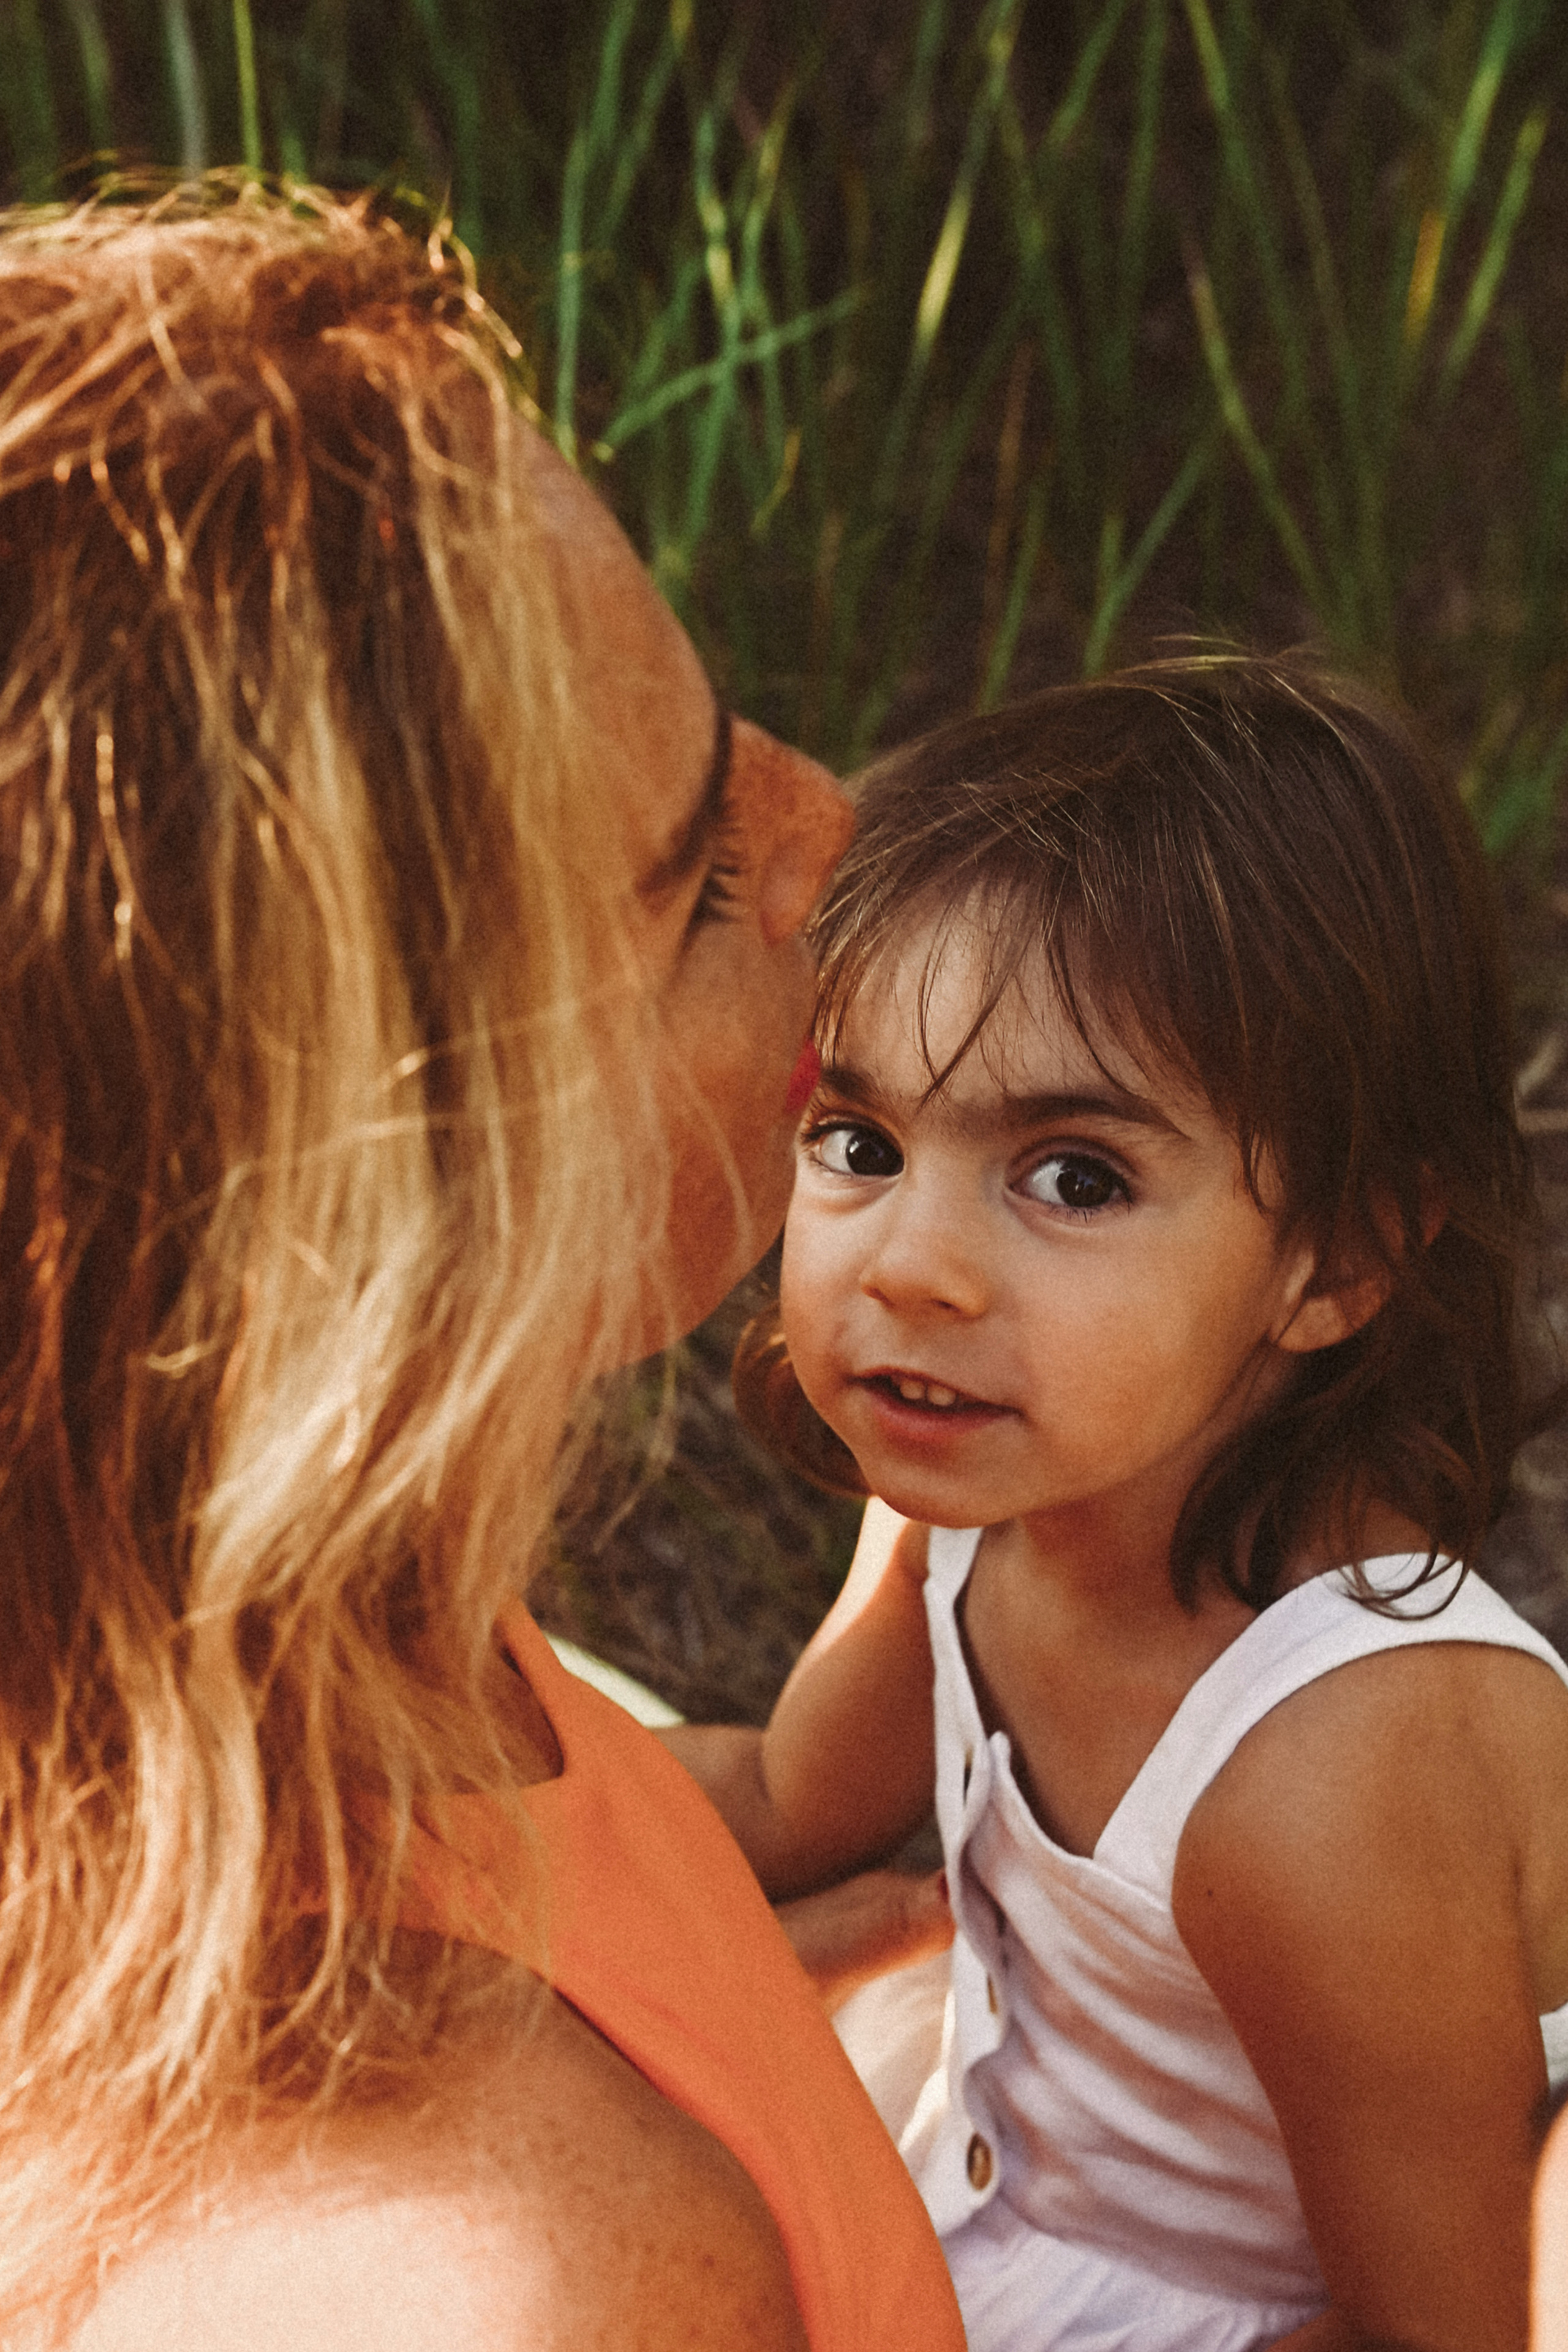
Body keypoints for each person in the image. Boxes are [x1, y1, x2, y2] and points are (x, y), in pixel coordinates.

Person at [0, 179, 967, 2351]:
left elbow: (554, 1829)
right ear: (364, 1256)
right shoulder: (521, 2282)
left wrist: (714, 1977)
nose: (841, 833)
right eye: (701, 878)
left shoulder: (260, 1601)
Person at [662, 656, 1568, 2352]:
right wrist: (419, 1829)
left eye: (1072, 1177)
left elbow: (1444, 2328)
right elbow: (794, 1797)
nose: (910, 1267)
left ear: (1340, 1258)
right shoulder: (974, 1504)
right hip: (1002, 2184)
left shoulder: (1328, 1776)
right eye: (857, 1137)